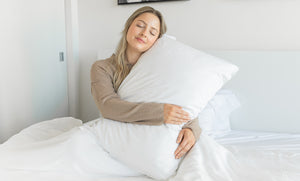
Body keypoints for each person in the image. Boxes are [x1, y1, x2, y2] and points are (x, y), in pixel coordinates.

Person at [90, 6, 201, 160]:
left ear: (157, 40)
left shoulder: (163, 70)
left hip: (156, 149)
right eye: (140, 26)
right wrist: (160, 112)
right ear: (128, 26)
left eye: (152, 32)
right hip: (116, 142)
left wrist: (192, 129)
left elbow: (182, 101)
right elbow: (107, 106)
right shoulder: (102, 67)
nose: (144, 33)